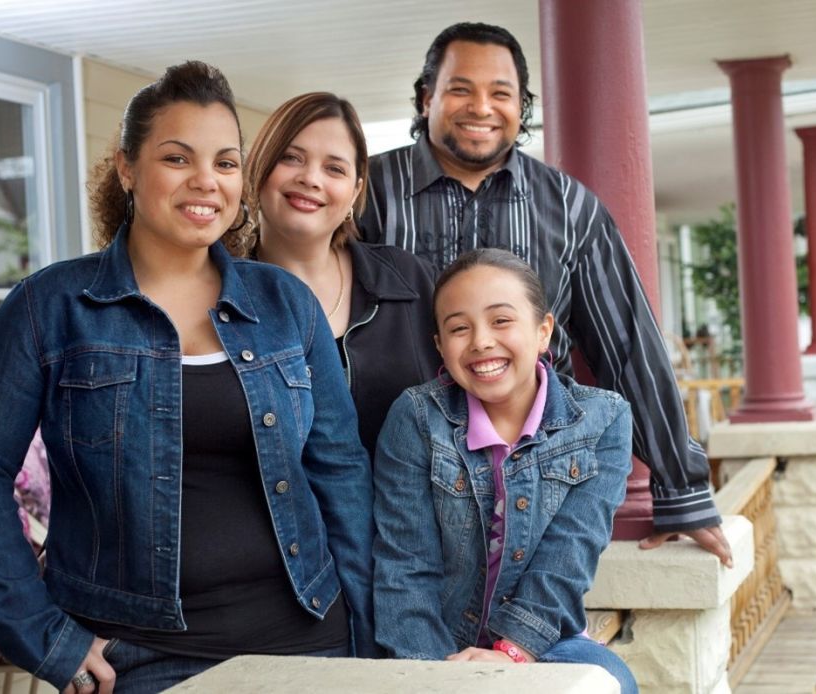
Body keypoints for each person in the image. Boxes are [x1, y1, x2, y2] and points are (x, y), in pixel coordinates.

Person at [0, 61, 375, 694]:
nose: (207, 181)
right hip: (137, 655)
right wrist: (42, 636)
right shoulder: (50, 307)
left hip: (311, 637)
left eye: (226, 164)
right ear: (127, 168)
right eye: (178, 158)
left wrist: (370, 639)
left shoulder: (286, 303)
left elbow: (339, 472)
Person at [358, 21, 732, 565]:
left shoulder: (569, 207)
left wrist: (683, 490)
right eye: (460, 88)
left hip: (536, 491)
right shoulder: (367, 195)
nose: (481, 107)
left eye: (501, 93)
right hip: (394, 485)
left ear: (522, 106)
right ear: (427, 97)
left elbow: (627, 345)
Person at [373, 248, 637, 693]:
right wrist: (432, 673)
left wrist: (512, 650)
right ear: (439, 344)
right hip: (439, 640)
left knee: (613, 682)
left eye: (501, 321)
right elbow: (405, 565)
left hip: (543, 638)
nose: (480, 341)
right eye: (459, 328)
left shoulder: (602, 419)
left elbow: (569, 553)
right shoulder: (417, 417)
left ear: (542, 331)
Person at [246, 92, 439, 456]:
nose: (310, 178)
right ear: (259, 167)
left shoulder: (411, 281)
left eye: (334, 168)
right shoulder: (218, 293)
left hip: (411, 510)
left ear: (355, 191)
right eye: (291, 158)